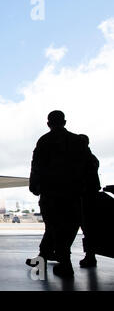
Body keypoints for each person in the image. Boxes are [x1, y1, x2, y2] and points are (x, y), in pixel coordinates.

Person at [27, 110, 90, 277]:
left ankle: (65, 264)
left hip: (51, 194)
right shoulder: (78, 141)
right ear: (65, 122)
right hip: (74, 194)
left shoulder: (44, 141)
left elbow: (37, 166)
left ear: (48, 123)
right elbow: (89, 167)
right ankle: (42, 258)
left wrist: (34, 186)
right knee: (67, 227)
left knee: (54, 227)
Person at [79, 134, 101, 268]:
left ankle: (90, 256)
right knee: (89, 227)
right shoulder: (92, 158)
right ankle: (90, 256)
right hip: (91, 195)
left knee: (87, 227)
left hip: (84, 196)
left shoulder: (81, 159)